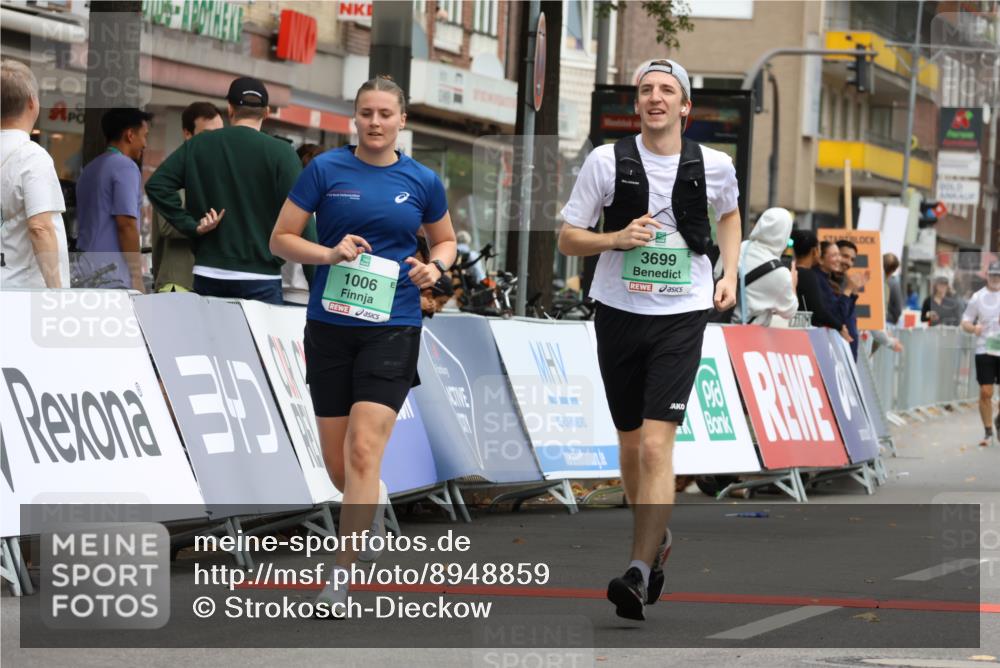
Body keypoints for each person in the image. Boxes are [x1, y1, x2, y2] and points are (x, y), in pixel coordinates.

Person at [557, 59, 741, 621]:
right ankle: (656, 538)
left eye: (667, 90)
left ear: (685, 105)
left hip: (682, 313)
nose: (656, 98)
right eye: (646, 91)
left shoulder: (714, 164)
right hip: (618, 310)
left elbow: (729, 217)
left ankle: (637, 569)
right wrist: (615, 238)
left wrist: (727, 272)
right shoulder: (605, 162)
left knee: (659, 446)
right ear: (636, 105)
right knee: (633, 444)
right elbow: (568, 238)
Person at [269, 76, 456, 615]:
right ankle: (365, 502)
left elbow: (444, 239)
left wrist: (434, 266)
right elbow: (281, 237)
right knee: (337, 465)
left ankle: (341, 577)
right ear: (355, 118)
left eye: (385, 114)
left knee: (361, 450)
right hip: (329, 323)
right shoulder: (325, 169)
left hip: (394, 324)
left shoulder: (421, 179)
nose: (375, 122)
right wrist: (328, 254)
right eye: (366, 113)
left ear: (402, 121)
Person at [146, 77, 314, 304]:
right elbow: (303, 219)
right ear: (266, 112)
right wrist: (317, 283)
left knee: (211, 340)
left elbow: (157, 185)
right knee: (256, 341)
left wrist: (191, 225)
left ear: (231, 109)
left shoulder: (198, 145)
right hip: (261, 275)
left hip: (209, 272)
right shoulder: (282, 153)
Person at [1, 59, 70, 289]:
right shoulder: (32, 157)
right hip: (24, 297)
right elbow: (39, 227)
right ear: (32, 102)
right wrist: (57, 293)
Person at [75, 107, 151, 291]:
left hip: (84, 269)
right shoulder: (126, 167)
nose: (145, 143)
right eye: (144, 135)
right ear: (130, 135)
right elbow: (126, 224)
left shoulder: (89, 169)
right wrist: (136, 276)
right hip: (111, 276)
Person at [151, 102, 223, 292]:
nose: (216, 140)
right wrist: (201, 225)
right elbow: (167, 227)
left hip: (206, 281)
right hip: (178, 282)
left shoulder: (214, 169)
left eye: (220, 133)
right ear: (187, 134)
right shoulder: (173, 172)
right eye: (208, 134)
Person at [734, 207, 797, 326]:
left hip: (720, 326)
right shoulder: (780, 273)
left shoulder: (740, 247)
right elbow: (790, 311)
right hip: (749, 337)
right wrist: (793, 282)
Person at [960, 261, 1000, 447]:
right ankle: (988, 430)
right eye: (992, 275)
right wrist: (974, 328)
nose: (995, 278)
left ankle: (998, 420)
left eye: (998, 275)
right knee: (986, 391)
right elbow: (965, 322)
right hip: (984, 348)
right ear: (987, 276)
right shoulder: (978, 297)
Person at [791, 230, 850, 341]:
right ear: (815, 251)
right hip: (805, 336)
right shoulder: (809, 276)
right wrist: (839, 326)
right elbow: (819, 311)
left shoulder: (791, 270)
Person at [833, 239, 867, 359]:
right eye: (845, 256)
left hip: (848, 354)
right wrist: (848, 291)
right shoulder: (823, 280)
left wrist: (853, 293)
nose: (848, 262)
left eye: (852, 259)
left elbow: (848, 318)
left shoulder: (848, 282)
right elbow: (837, 316)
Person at [884, 253, 903, 326]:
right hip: (888, 322)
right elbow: (898, 309)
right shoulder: (894, 283)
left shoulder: (871, 280)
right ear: (894, 269)